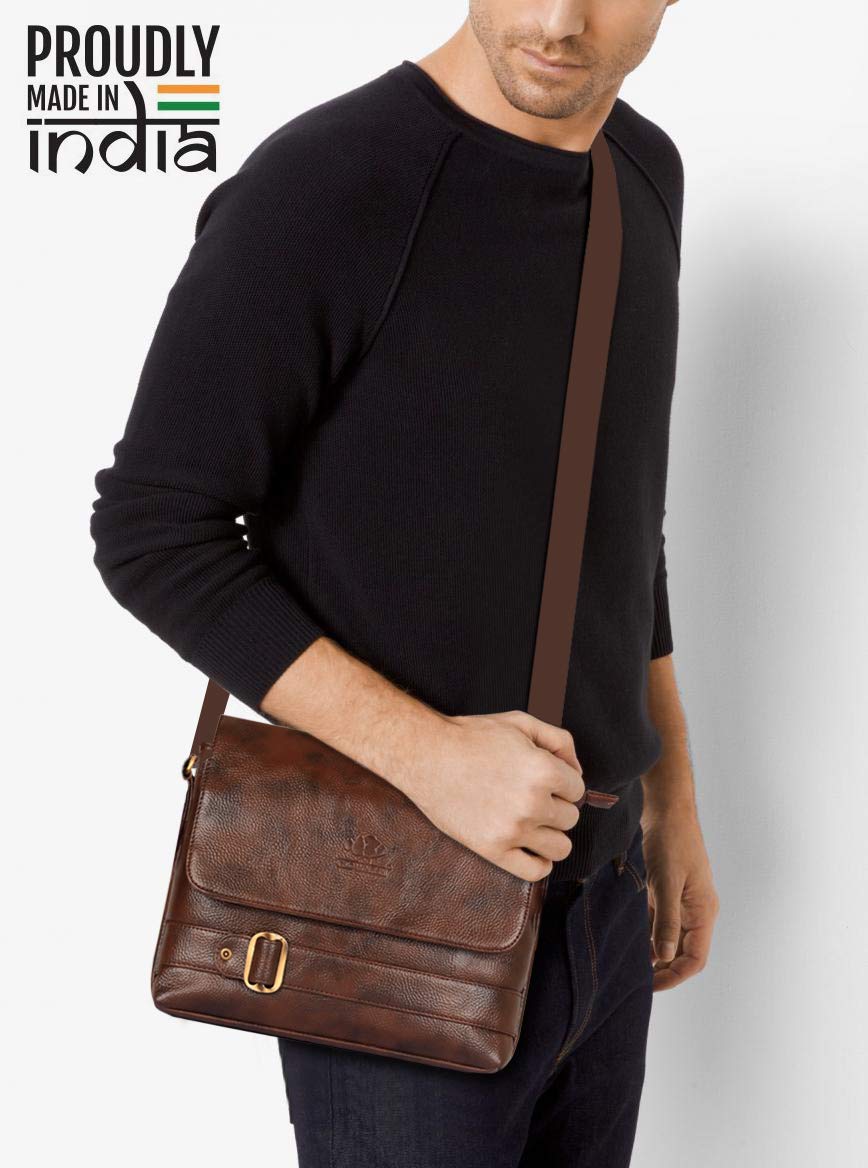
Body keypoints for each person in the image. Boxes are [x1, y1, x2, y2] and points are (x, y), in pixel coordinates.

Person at [91, 2, 719, 1164]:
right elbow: (152, 530)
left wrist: (670, 796)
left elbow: (618, 518)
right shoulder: (326, 185)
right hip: (392, 906)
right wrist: (430, 757)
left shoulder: (643, 171)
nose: (557, 19)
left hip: (604, 889)